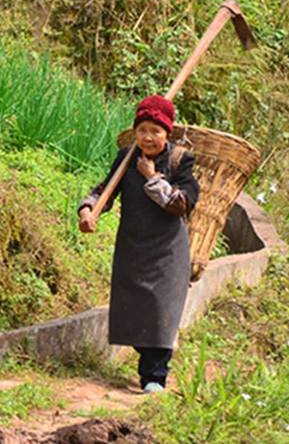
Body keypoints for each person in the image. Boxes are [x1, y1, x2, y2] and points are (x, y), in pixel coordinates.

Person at [77, 95, 199, 393]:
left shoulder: (180, 160)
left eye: (155, 131)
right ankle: (149, 362)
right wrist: (87, 209)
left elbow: (181, 204)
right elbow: (105, 190)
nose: (148, 137)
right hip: (133, 244)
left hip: (168, 249)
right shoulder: (125, 158)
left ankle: (154, 376)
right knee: (133, 309)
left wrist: (152, 177)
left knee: (161, 311)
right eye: (142, 130)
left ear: (167, 133)